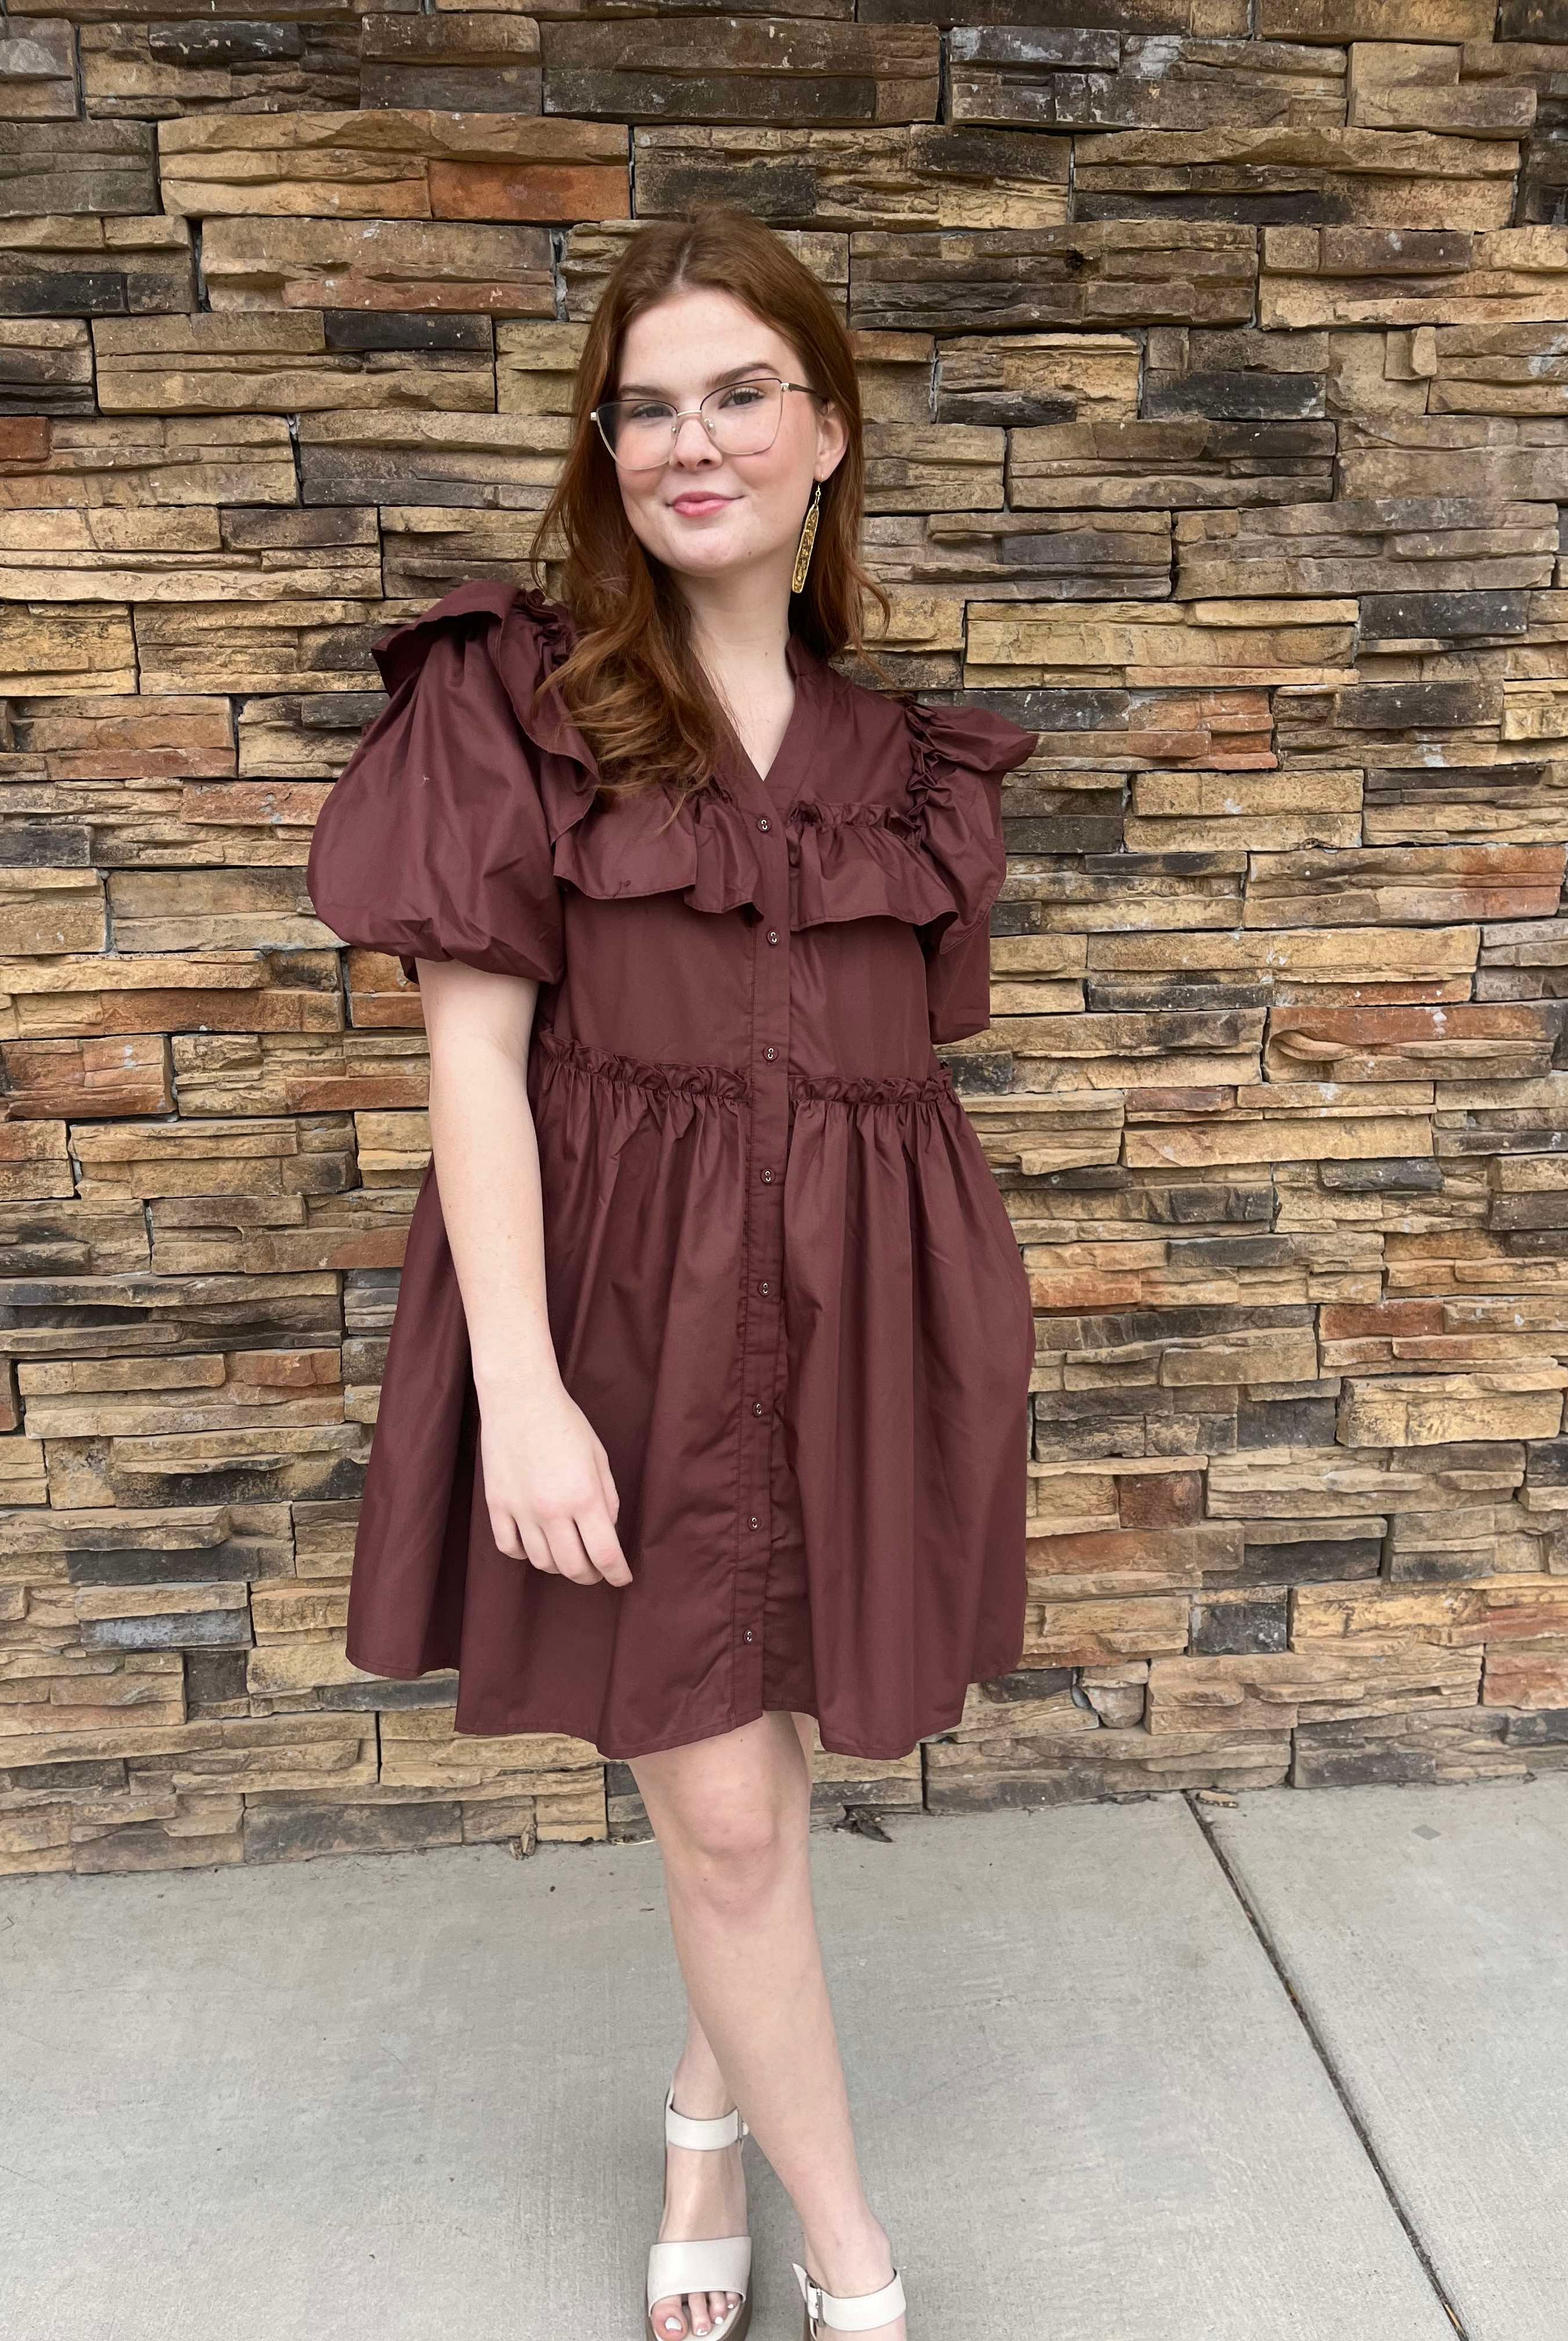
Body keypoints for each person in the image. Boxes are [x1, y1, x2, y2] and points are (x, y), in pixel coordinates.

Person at [305, 206, 1039, 2341]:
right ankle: (861, 2265)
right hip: (627, 1330)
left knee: (772, 1765)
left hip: (873, 1317)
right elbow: (475, 1065)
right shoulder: (511, 704)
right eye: (644, 408)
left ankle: (706, 2122)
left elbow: (898, 1085)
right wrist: (523, 1388)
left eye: (737, 394)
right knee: (720, 1812)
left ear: (828, 431)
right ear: (604, 449)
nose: (687, 442)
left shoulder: (913, 767)